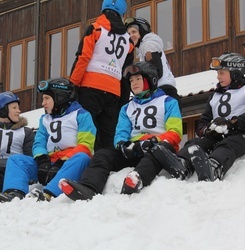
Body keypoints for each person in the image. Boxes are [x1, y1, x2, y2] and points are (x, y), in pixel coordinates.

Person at [59, 61, 183, 200]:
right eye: (131, 80)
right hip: (135, 149)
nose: (134, 83)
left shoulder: (168, 102)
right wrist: (123, 144)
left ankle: (137, 179)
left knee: (156, 151)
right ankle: (89, 188)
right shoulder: (127, 108)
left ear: (150, 80)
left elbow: (175, 132)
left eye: (138, 79)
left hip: (159, 149)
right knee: (103, 154)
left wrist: (154, 140)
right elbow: (120, 133)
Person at [152, 52, 245, 181]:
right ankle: (182, 164)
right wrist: (208, 131)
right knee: (195, 143)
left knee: (229, 143)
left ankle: (215, 167)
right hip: (219, 136)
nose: (218, 77)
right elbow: (202, 123)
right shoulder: (215, 96)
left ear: (235, 73)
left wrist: (234, 123)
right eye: (218, 73)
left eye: (222, 73)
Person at [0, 77, 96, 202]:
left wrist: (61, 162)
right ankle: (14, 193)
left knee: (83, 157)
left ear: (60, 96)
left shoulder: (81, 115)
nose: (43, 103)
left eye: (47, 98)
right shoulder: (45, 119)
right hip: (49, 163)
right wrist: (42, 160)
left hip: (70, 163)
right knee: (16, 160)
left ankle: (49, 193)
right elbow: (39, 141)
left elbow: (86, 145)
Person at [69, 0, 133, 151]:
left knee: (88, 130)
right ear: (122, 14)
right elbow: (126, 73)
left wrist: (73, 84)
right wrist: (123, 100)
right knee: (109, 134)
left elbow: (83, 58)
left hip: (90, 87)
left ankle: (89, 166)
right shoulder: (128, 41)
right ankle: (109, 167)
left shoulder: (95, 29)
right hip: (113, 92)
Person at [123, 17, 181, 110]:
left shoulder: (148, 45)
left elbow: (156, 71)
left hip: (162, 94)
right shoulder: (147, 45)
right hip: (167, 93)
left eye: (134, 32)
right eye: (129, 34)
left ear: (142, 30)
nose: (131, 36)